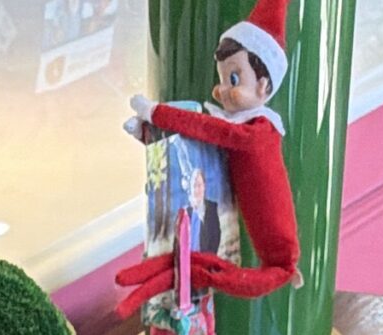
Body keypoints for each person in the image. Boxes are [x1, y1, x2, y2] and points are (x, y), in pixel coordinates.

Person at [114, 0, 301, 315]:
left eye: (233, 79)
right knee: (192, 259)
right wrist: (148, 131)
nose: (222, 91)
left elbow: (208, 129)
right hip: (213, 229)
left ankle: (182, 280)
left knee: (210, 271)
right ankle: (162, 282)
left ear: (264, 86)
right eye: (222, 80)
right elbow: (195, 144)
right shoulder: (239, 129)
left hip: (277, 257)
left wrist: (157, 113)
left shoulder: (258, 133)